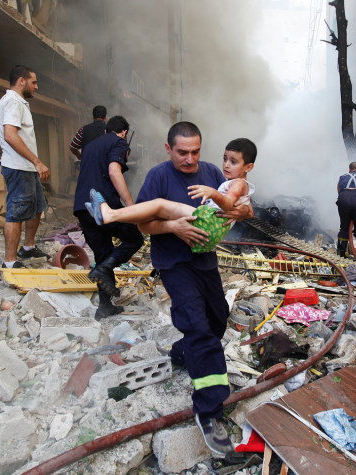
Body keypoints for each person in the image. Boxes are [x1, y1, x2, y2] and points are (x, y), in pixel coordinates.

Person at [134, 122, 253, 457]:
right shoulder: (158, 177)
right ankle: (209, 411)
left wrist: (241, 209)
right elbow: (143, 224)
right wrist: (172, 226)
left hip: (205, 261)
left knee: (217, 320)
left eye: (195, 152)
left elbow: (237, 206)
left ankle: (182, 353)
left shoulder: (214, 172)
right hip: (174, 263)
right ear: (169, 149)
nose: (190, 159)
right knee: (198, 328)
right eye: (182, 152)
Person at [85, 138, 256, 254]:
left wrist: (213, 193)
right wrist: (241, 211)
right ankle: (110, 214)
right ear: (169, 149)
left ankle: (111, 214)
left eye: (233, 162)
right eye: (225, 159)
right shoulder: (236, 183)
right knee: (156, 209)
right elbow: (249, 212)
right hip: (208, 231)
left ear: (248, 167)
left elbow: (229, 204)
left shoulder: (238, 183)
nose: (226, 165)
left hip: (208, 223)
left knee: (159, 206)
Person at [73, 115, 144, 320]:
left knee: (103, 253)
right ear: (124, 132)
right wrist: (131, 206)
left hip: (82, 207)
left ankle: (105, 307)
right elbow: (114, 171)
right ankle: (104, 269)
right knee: (135, 238)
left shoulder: (90, 147)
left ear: (105, 131)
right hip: (104, 206)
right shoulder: (119, 141)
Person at [0, 65, 50, 269]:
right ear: (21, 81)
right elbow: (10, 135)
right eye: (33, 82)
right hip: (19, 168)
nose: (36, 86)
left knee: (37, 207)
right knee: (16, 213)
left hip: (27, 168)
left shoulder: (19, 102)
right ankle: (10, 261)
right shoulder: (12, 101)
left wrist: (34, 164)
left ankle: (27, 247)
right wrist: (37, 161)